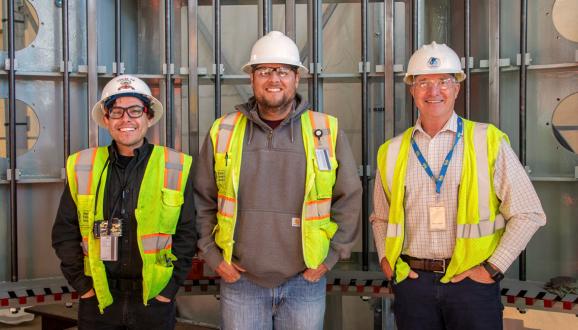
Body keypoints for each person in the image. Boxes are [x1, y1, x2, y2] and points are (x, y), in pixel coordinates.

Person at [371, 42, 546, 330]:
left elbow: (528, 213)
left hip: (471, 285)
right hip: (413, 284)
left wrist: (492, 268)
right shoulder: (391, 151)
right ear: (412, 90)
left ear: (457, 88)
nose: (434, 91)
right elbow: (381, 217)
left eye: (444, 82)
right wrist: (387, 262)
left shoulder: (486, 141)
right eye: (424, 82)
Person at [195, 31, 362, 330]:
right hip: (241, 283)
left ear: (297, 78)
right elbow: (202, 199)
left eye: (283, 71)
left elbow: (348, 196)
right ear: (252, 78)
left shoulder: (325, 129)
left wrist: (331, 257)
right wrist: (212, 255)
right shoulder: (223, 131)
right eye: (265, 71)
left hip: (305, 282)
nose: (274, 79)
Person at [52, 74, 196, 330]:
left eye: (135, 110)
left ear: (148, 117)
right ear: (106, 119)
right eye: (117, 111)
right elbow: (65, 232)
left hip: (153, 300)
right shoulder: (83, 165)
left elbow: (187, 234)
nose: (126, 119)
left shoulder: (174, 165)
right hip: (99, 300)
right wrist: (84, 287)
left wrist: (169, 289)